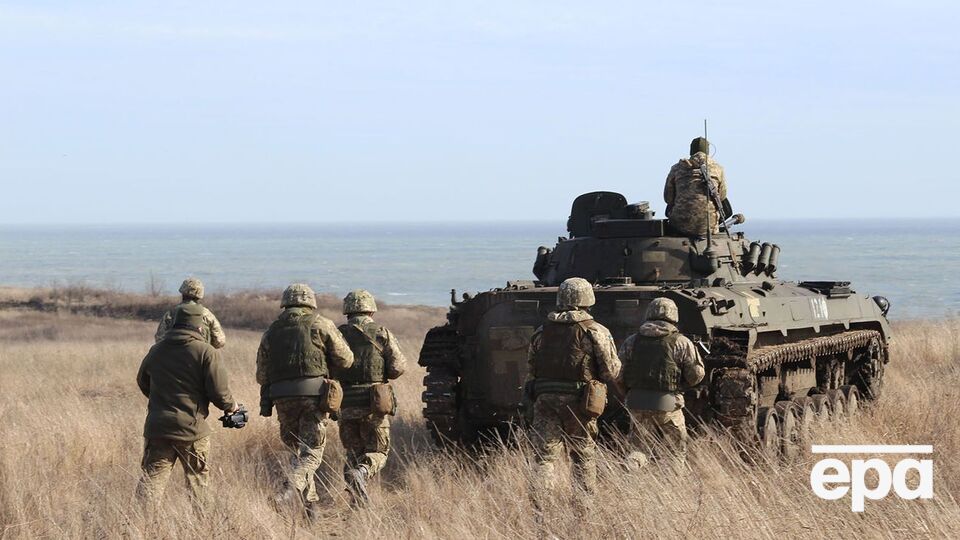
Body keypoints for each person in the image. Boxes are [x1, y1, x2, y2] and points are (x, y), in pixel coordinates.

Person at [256, 283, 354, 516]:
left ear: (285, 303)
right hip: (313, 397)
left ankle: (311, 511)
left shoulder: (272, 331)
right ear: (310, 302)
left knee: (297, 454)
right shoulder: (321, 324)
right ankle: (287, 489)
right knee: (311, 454)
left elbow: (261, 375)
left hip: (282, 398)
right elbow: (346, 359)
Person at [526, 277, 621, 505]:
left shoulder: (542, 331)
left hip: (545, 400)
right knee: (582, 455)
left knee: (544, 458)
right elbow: (611, 371)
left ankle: (541, 506)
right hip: (580, 402)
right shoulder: (596, 331)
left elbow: (531, 368)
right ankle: (583, 506)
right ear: (588, 298)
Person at [135, 302, 238, 509]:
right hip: (192, 430)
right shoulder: (206, 352)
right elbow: (219, 392)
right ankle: (202, 527)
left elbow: (142, 381)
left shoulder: (156, 350)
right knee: (197, 483)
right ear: (200, 326)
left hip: (158, 428)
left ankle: (141, 526)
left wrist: (161, 400)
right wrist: (232, 407)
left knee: (152, 481)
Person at [330, 289, 407, 507]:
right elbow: (398, 367)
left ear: (347, 310)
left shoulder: (337, 334)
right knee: (378, 452)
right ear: (371, 309)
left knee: (353, 451)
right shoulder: (381, 333)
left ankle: (356, 502)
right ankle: (362, 474)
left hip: (345, 403)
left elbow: (329, 368)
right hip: (373, 403)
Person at [618, 297, 704, 467]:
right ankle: (672, 484)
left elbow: (618, 373)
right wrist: (682, 385)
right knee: (676, 450)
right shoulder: (681, 342)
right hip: (668, 404)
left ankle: (632, 467)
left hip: (636, 401)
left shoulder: (632, 341)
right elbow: (696, 375)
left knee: (638, 447)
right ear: (674, 316)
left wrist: (627, 393)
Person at [663, 137, 728, 237]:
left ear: (691, 151)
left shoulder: (677, 168)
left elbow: (668, 198)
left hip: (679, 226)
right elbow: (722, 196)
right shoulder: (718, 169)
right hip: (708, 227)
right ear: (707, 151)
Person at [155, 277, 226, 349]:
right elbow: (220, 341)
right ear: (200, 295)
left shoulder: (171, 314)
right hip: (200, 357)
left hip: (174, 357)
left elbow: (159, 339)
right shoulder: (207, 315)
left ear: (182, 293)